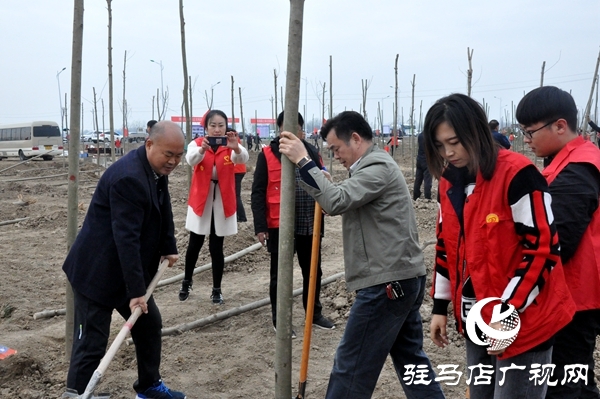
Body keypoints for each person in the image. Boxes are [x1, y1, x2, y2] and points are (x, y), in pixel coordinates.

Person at [278, 110, 445, 398]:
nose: (336, 155)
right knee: (411, 362)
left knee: (351, 366)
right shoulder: (371, 168)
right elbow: (340, 196)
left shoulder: (377, 166)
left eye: (336, 148)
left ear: (355, 138)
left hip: (386, 284)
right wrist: (322, 179)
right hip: (400, 279)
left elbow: (335, 200)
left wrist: (304, 160)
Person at [423, 94, 575, 399]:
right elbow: (446, 246)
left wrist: (508, 312)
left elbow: (542, 250)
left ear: (475, 131)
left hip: (523, 322)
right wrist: (440, 307)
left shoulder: (518, 175)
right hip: (477, 318)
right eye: (440, 145)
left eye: (454, 141)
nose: (448, 152)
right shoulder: (449, 183)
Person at [61, 121, 186, 399]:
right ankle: (77, 394)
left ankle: (149, 386)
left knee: (149, 325)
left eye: (179, 155)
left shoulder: (155, 169)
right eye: (169, 154)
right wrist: (136, 293)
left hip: (128, 270)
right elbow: (125, 238)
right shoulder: (128, 178)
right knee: (91, 341)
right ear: (149, 145)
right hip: (97, 272)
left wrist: (168, 245)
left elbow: (163, 207)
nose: (174, 161)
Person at [516, 86, 600, 398]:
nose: (526, 139)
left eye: (530, 131)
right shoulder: (569, 161)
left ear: (560, 126)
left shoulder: (578, 169)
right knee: (575, 377)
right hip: (575, 292)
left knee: (565, 381)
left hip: (576, 296)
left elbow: (559, 239)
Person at [251, 111, 334, 337]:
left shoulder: (312, 152)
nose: (291, 132)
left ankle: (314, 314)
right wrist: (261, 226)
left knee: (313, 270)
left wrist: (327, 204)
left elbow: (322, 181)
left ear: (301, 129)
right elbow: (257, 192)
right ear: (279, 130)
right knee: (280, 275)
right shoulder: (267, 154)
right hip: (280, 224)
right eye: (285, 127)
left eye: (296, 127)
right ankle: (281, 320)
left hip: (310, 221)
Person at [179, 110, 249, 304]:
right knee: (195, 243)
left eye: (221, 125)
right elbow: (190, 160)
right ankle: (186, 281)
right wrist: (202, 150)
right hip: (202, 197)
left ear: (226, 126)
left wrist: (235, 148)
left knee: (216, 247)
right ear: (206, 127)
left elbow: (242, 159)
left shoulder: (231, 144)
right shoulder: (197, 143)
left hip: (222, 199)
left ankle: (216, 289)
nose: (217, 130)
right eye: (213, 125)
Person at [229, 127, 247, 223]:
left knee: (236, 195)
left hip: (236, 170)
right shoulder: (236, 138)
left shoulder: (232, 140)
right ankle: (238, 216)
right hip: (240, 169)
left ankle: (241, 217)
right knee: (236, 194)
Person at [413, 132, 432, 200]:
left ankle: (415, 195)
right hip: (427, 160)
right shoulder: (430, 136)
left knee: (418, 179)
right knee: (427, 179)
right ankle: (427, 196)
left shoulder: (420, 135)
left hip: (419, 159)